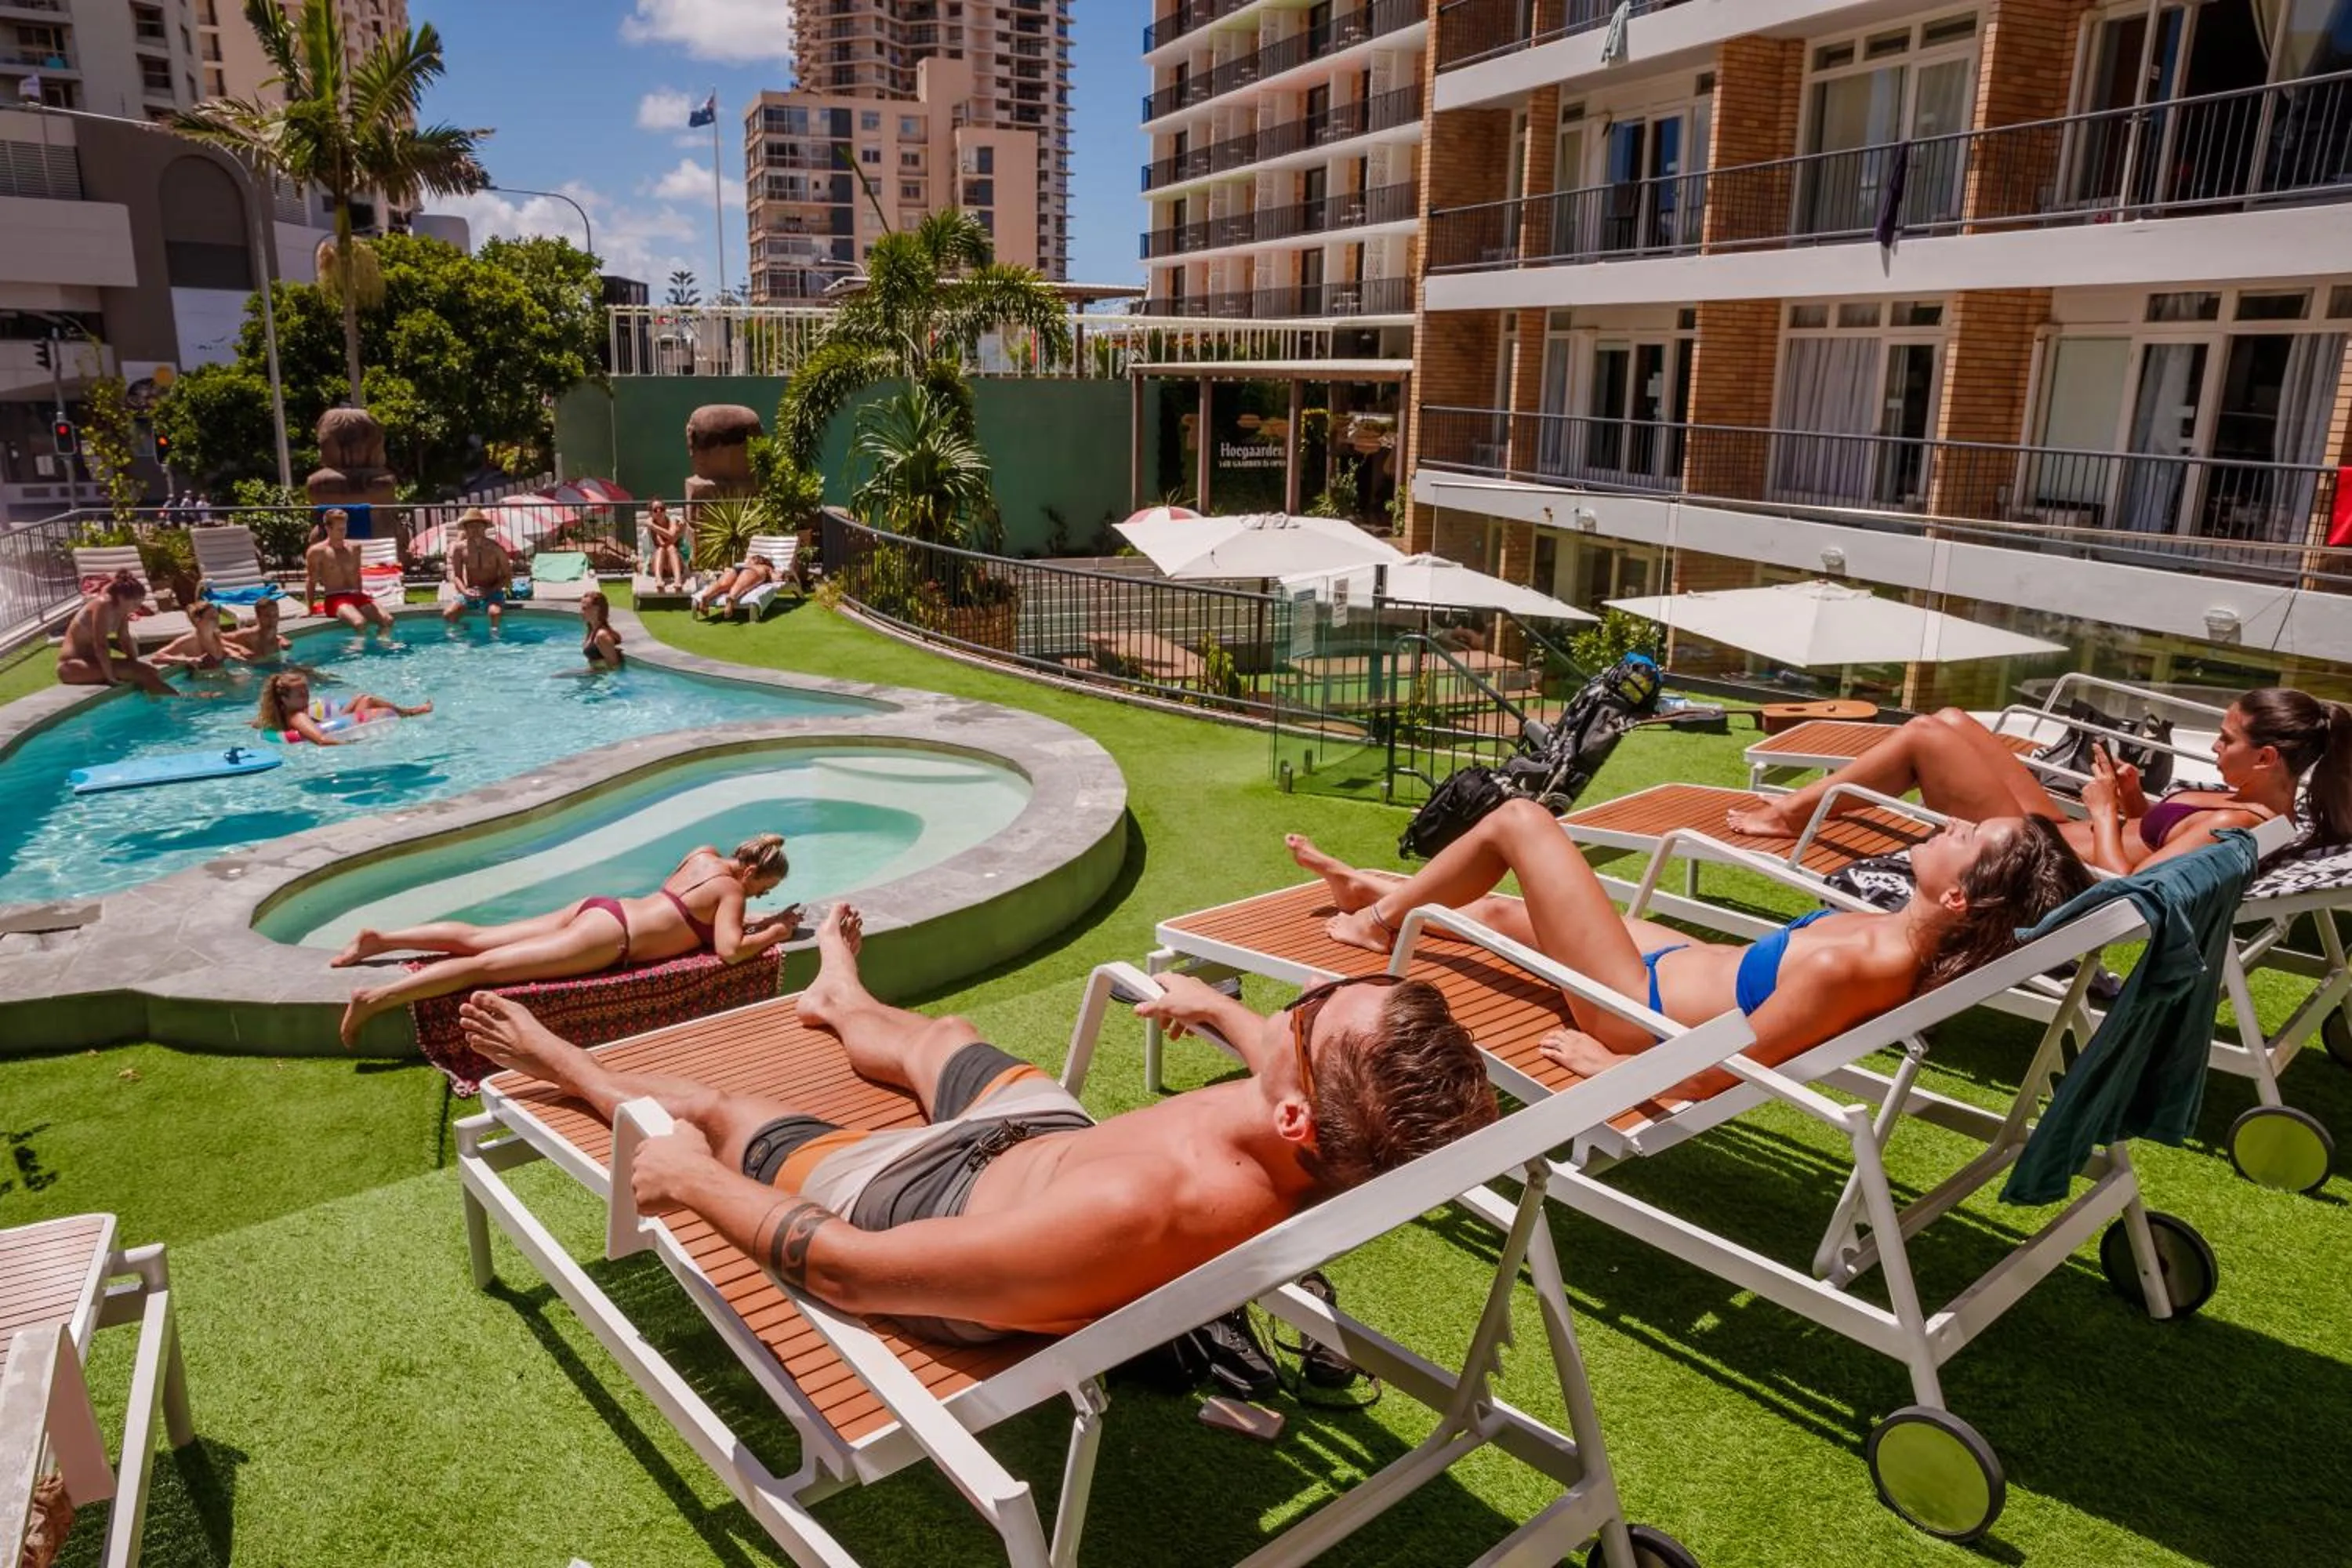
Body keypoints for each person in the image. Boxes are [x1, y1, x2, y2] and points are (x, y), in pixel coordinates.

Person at [455, 902, 1498, 1343]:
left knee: (720, 1112)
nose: (1306, 993)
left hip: (929, 1202)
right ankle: (840, 996)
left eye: (1312, 1009)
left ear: (1293, 1108)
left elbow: (854, 1271)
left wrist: (689, 1182)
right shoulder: (1324, 1138)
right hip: (1045, 1147)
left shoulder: (1131, 1211)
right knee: (934, 1036)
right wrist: (1230, 1013)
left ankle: (565, 1062)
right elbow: (1302, 1082)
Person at [1284, 797, 2092, 1102]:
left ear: (1961, 897)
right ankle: (1375, 891)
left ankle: (1374, 919)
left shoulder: (1863, 963)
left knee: (1522, 820)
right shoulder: (1898, 939)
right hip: (1672, 973)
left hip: (1641, 1013)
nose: (1954, 822)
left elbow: (1734, 1062)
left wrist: (1616, 1073)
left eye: (1971, 836)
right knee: (1500, 904)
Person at [1725, 689, 2352, 874]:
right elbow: (2160, 841)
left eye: (2227, 740)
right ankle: (1799, 809)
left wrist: (2108, 813)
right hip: (2058, 833)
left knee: (1924, 737)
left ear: (2268, 757)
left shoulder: (2233, 825)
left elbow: (2130, 892)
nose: (2214, 747)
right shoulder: (2252, 802)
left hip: (2043, 861)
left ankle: (1790, 817)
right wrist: (2136, 803)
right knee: (1948, 718)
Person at [333, 834, 801, 1047]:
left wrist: (749, 914)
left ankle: (380, 939)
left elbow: (685, 906)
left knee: (481, 939)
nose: (762, 896)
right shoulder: (734, 890)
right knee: (487, 967)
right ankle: (375, 998)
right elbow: (730, 950)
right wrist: (777, 930)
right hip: (610, 940)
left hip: (602, 908)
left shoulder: (705, 855)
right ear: (753, 873)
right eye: (765, 889)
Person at [56, 571, 176, 695]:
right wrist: (110, 677)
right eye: (135, 603)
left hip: (92, 661)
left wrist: (133, 662)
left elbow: (124, 638)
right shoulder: (102, 605)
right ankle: (178, 699)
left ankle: (157, 703)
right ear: (121, 598)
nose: (137, 608)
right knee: (139, 673)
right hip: (71, 666)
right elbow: (101, 644)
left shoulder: (122, 609)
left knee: (150, 671)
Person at [254, 670, 430, 746]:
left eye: (306, 692)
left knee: (361, 698)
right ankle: (411, 712)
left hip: (333, 724)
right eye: (300, 694)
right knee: (367, 699)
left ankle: (410, 712)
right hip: (342, 731)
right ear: (284, 699)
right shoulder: (298, 717)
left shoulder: (284, 711)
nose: (306, 697)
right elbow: (321, 740)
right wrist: (353, 743)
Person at [306, 508, 394, 637]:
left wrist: (362, 596)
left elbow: (358, 574)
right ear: (328, 529)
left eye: (345, 528)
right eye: (340, 530)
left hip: (357, 596)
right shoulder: (317, 552)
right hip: (335, 598)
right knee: (360, 623)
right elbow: (311, 580)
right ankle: (356, 652)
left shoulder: (355, 548)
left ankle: (382, 645)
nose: (343, 533)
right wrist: (309, 608)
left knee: (388, 620)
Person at [444, 509, 515, 627]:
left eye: (478, 526)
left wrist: (490, 591)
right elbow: (457, 576)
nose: (475, 529)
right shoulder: (459, 549)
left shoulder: (496, 549)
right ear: (466, 529)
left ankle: (495, 638)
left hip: (493, 591)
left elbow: (507, 576)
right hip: (470, 592)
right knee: (449, 613)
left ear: (485, 528)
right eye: (471, 526)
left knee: (495, 613)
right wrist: (465, 592)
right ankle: (463, 629)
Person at [150, 599, 235, 671]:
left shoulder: (216, 635)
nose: (217, 621)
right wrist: (187, 660)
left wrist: (233, 652)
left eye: (217, 617)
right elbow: (156, 658)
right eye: (212, 618)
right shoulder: (190, 641)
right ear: (197, 620)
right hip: (202, 685)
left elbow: (224, 648)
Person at [691, 550, 775, 619]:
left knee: (721, 584)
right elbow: (776, 578)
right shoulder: (765, 567)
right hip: (752, 572)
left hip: (735, 569)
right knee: (740, 585)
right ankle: (731, 598)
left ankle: (707, 596)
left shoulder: (745, 564)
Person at [223, 594, 292, 662]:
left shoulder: (274, 635)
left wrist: (281, 639)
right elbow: (218, 638)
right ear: (258, 617)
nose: (272, 619)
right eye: (267, 616)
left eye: (275, 615)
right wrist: (239, 648)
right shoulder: (248, 635)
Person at [645, 498, 686, 593]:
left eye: (662, 508)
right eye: (655, 510)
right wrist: (676, 535)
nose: (659, 511)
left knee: (671, 548)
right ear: (651, 513)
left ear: (665, 510)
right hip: (657, 565)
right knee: (661, 549)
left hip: (674, 564)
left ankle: (678, 579)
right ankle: (659, 579)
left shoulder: (671, 520)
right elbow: (662, 544)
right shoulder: (650, 524)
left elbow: (671, 535)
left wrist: (653, 526)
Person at [579, 590, 623, 670]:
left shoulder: (602, 636)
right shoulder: (591, 629)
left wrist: (591, 674)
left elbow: (614, 665)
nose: (581, 612)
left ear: (596, 609)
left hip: (601, 679)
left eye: (584, 608)